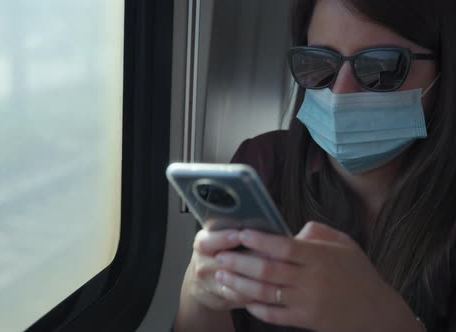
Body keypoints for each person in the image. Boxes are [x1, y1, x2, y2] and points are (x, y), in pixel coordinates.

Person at [173, 0, 456, 331]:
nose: (340, 91)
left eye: (382, 67)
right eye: (319, 64)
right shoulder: (264, 165)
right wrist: (200, 294)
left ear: (443, 71)